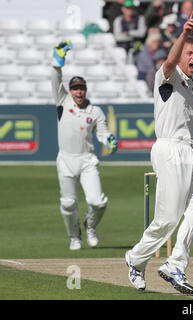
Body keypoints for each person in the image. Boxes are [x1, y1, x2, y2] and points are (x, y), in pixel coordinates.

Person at [125, 13, 193, 294]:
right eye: (190, 53)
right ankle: (136, 258)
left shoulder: (190, 86)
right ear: (180, 55)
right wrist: (182, 34)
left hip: (188, 152)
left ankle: (175, 265)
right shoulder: (166, 77)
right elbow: (168, 62)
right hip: (168, 150)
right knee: (168, 218)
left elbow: (186, 127)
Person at [51, 40, 118, 250]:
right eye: (75, 89)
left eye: (81, 88)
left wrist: (108, 140)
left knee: (98, 202)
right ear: (70, 91)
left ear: (86, 90)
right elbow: (55, 79)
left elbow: (103, 133)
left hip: (87, 160)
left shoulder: (95, 111)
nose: (79, 92)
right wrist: (57, 62)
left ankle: (90, 226)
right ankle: (74, 236)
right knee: (68, 204)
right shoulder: (62, 102)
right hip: (66, 160)